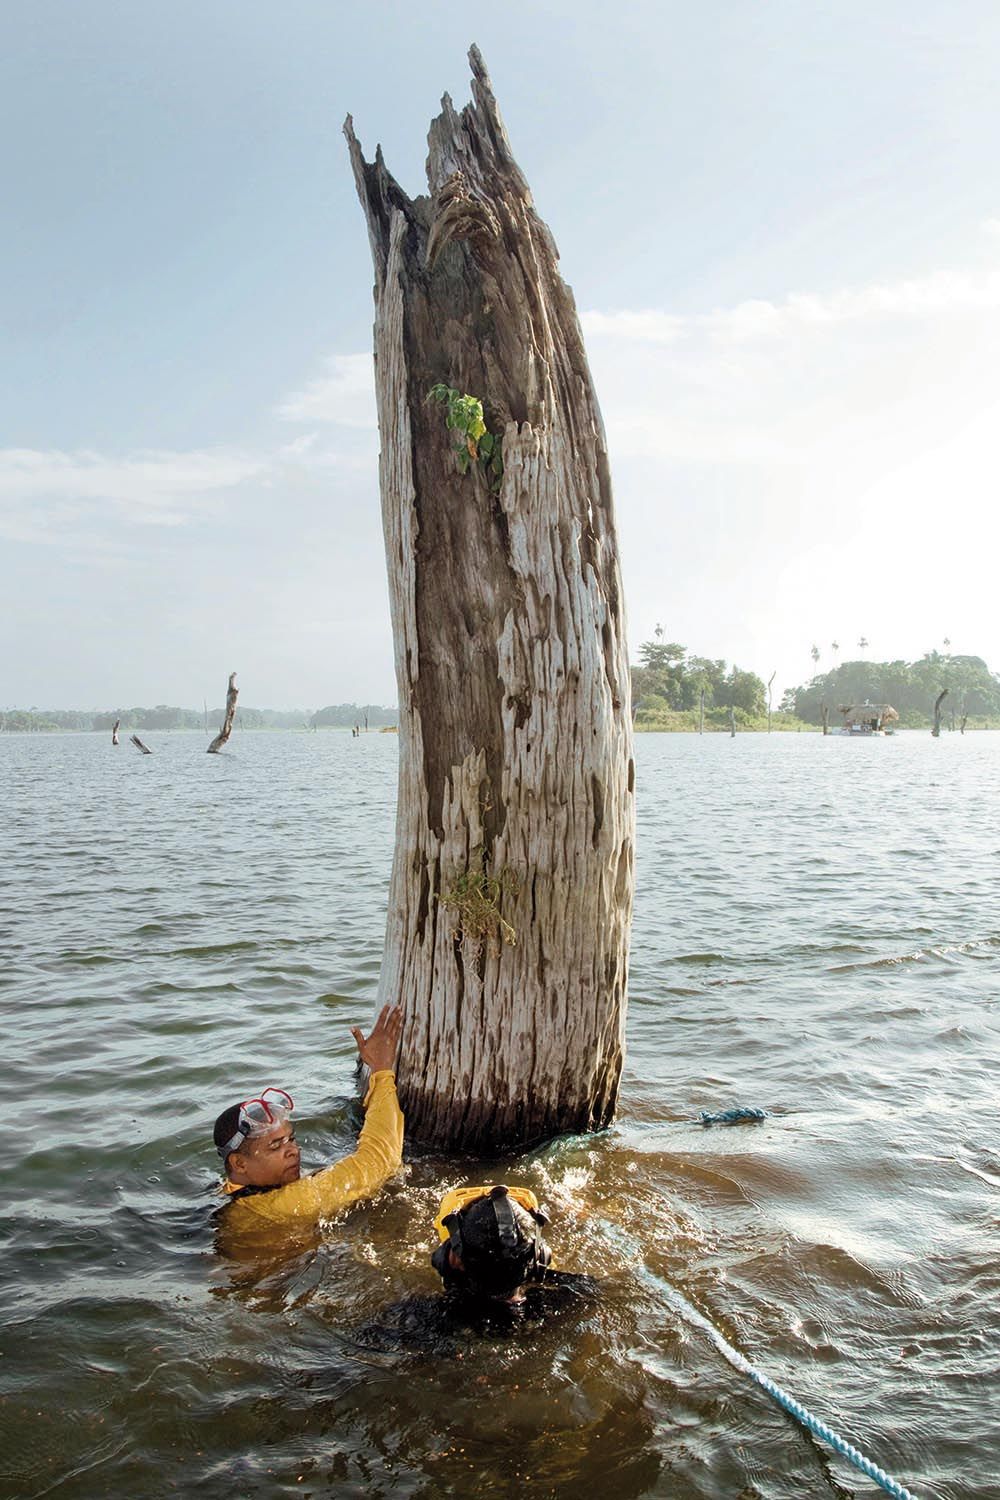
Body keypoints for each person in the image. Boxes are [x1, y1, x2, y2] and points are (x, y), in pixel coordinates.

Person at [212, 1003, 403, 1236]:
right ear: (239, 1163)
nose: (293, 1150)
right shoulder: (289, 1203)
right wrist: (382, 1071)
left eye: (290, 1139)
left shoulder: (226, 1195)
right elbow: (379, 1161)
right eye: (275, 1146)